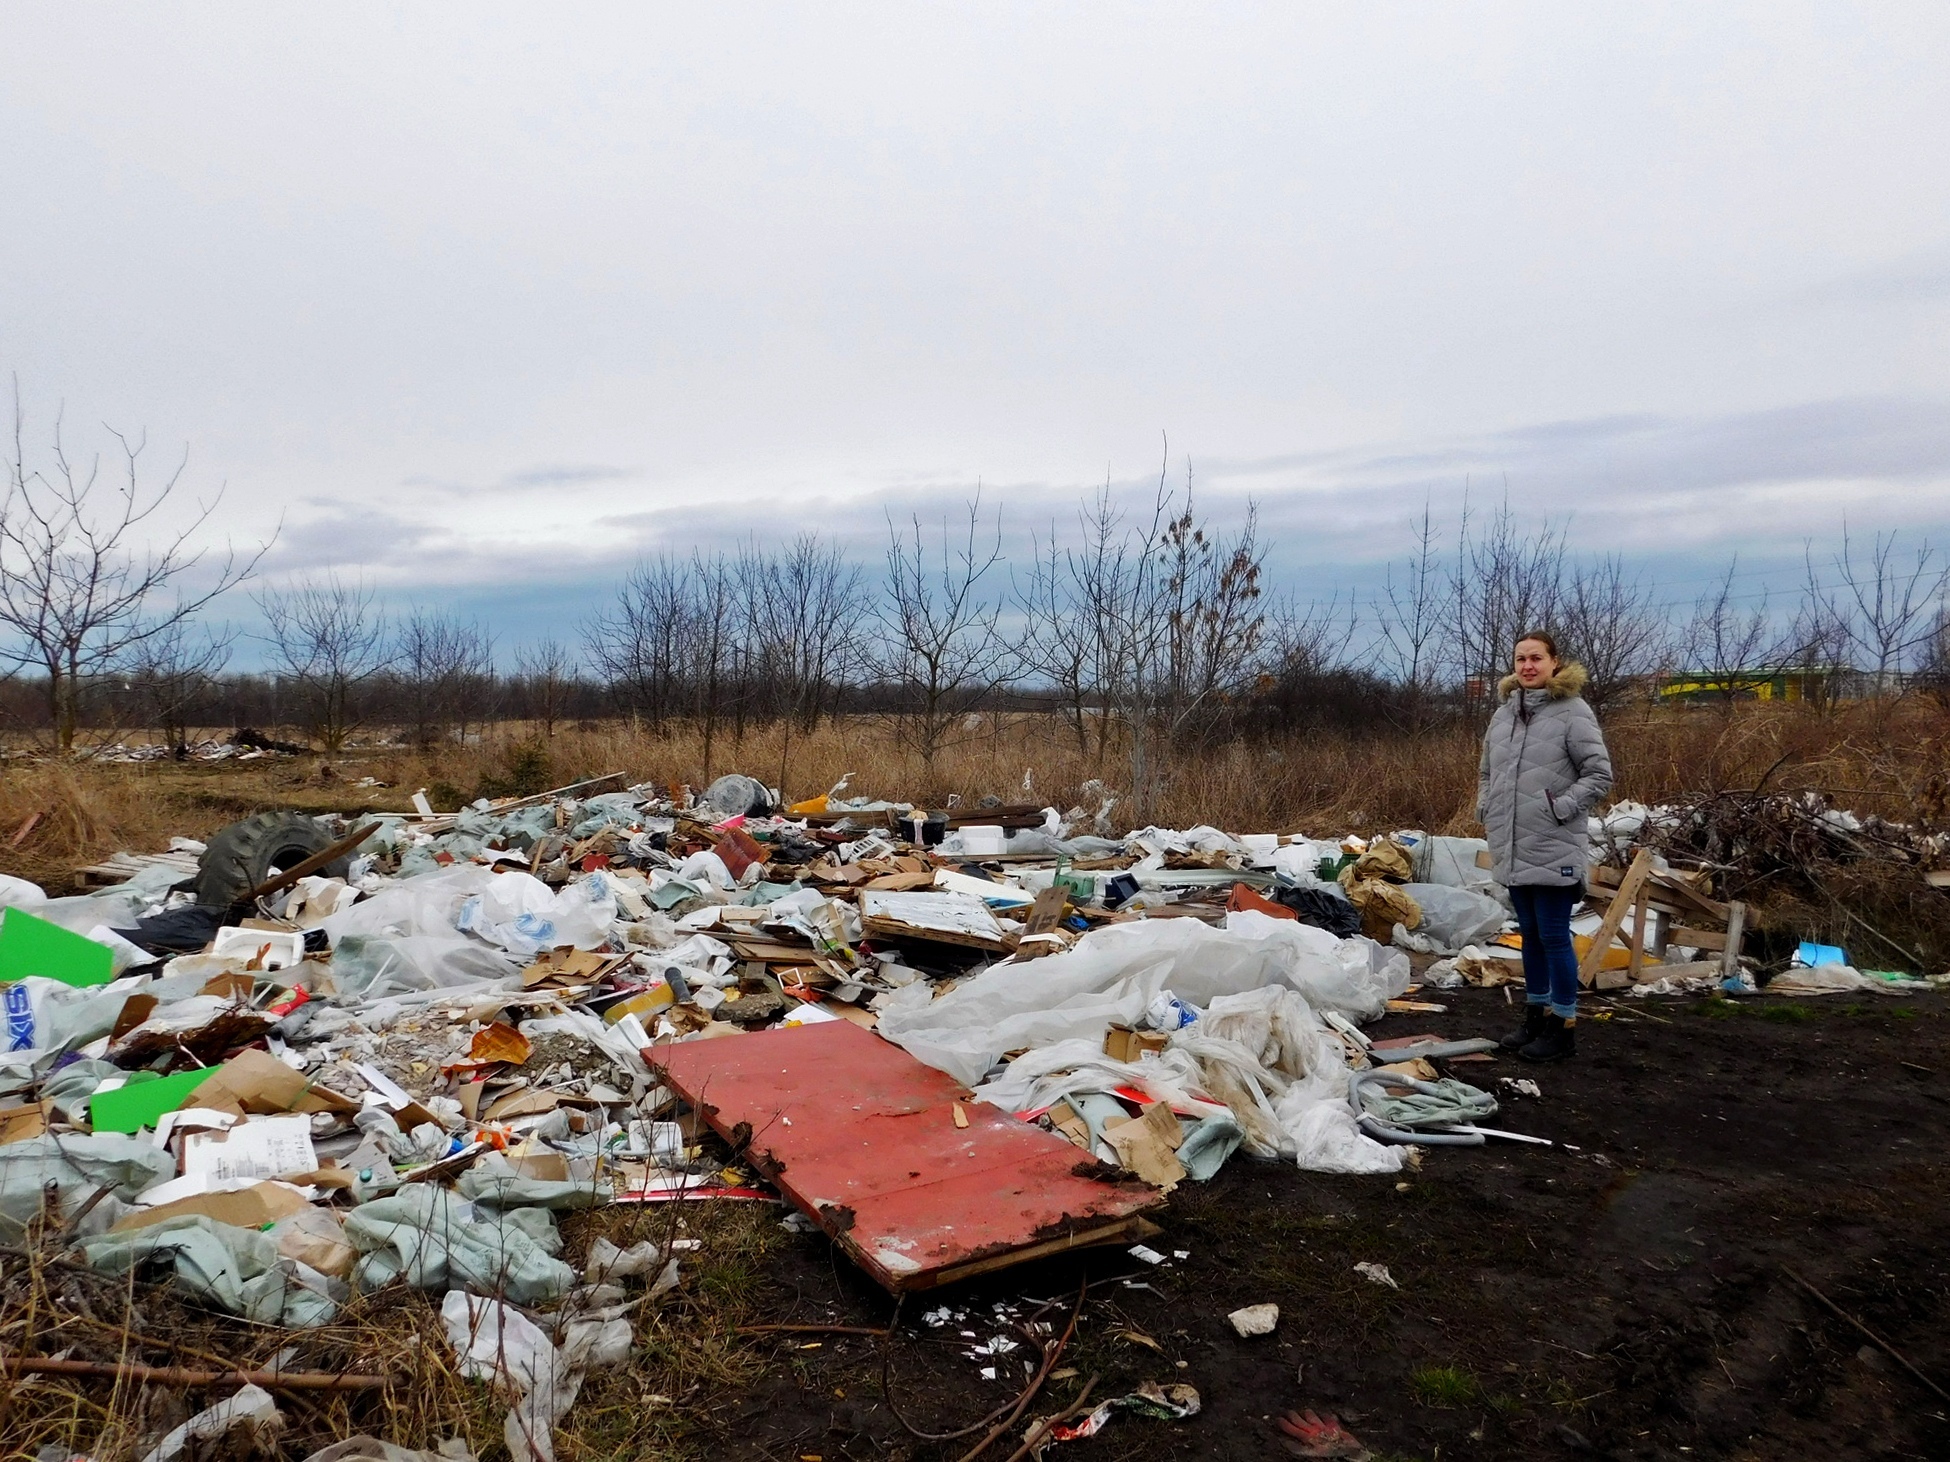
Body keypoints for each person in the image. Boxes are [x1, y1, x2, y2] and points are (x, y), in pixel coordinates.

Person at [1476, 631, 1613, 1062]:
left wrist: (1561, 807)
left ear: (1554, 663)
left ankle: (1563, 1027)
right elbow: (1485, 772)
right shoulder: (1503, 715)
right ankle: (1534, 1017)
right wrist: (1486, 806)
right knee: (1529, 935)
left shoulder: (1573, 712)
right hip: (1512, 842)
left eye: (1536, 658)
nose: (1528, 666)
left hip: (1553, 841)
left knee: (1554, 936)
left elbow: (1599, 774)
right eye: (1521, 659)